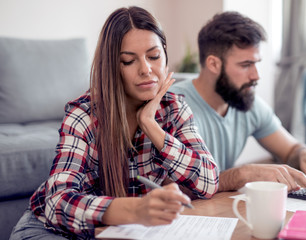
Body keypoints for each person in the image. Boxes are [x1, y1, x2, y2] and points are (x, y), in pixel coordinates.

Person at [10, 6, 219, 239]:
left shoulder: (174, 108)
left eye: (154, 56)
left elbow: (208, 182)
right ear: (112, 66)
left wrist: (151, 125)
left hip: (116, 231)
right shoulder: (84, 115)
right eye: (129, 61)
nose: (146, 69)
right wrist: (136, 210)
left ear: (165, 55)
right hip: (51, 230)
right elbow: (58, 202)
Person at [170, 11, 306, 193]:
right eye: (246, 65)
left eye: (256, 63)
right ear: (213, 64)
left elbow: (290, 150)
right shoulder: (172, 106)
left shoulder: (244, 100)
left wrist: (305, 153)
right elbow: (172, 187)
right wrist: (241, 175)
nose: (256, 75)